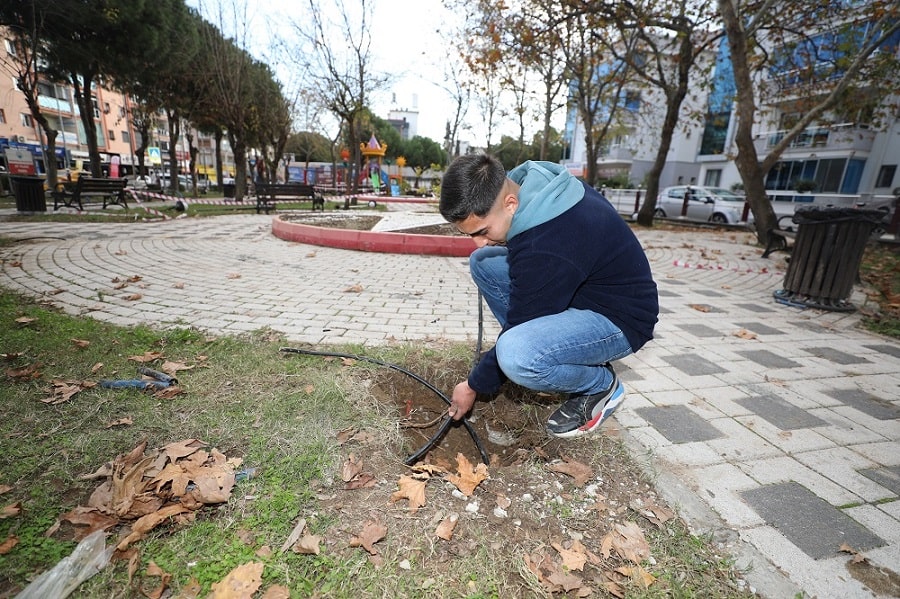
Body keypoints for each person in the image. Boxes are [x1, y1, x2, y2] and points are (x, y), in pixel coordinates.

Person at [440, 154, 658, 438]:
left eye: (482, 231)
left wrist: (473, 385)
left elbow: (522, 317)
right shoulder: (537, 185)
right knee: (484, 261)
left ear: (510, 204)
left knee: (517, 355)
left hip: (621, 320)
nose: (479, 241)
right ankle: (555, 353)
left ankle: (600, 385)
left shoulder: (545, 243)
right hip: (586, 293)